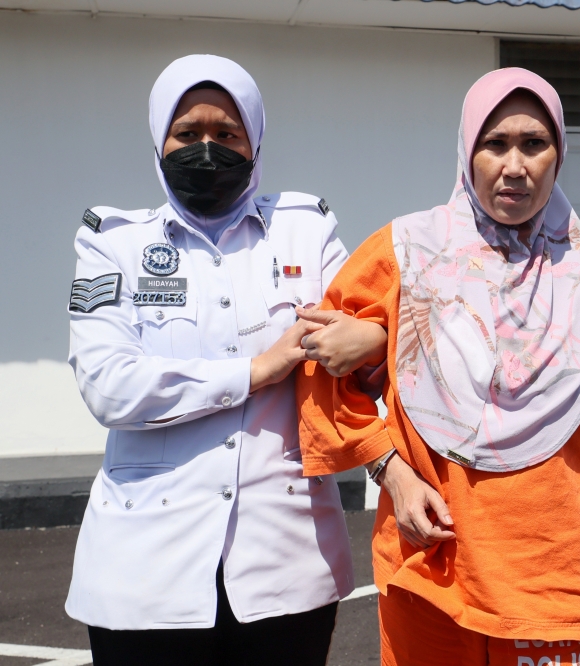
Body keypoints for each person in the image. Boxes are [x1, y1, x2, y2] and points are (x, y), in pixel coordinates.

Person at [296, 68, 580, 665]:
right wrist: (391, 472)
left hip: (554, 570)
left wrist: (388, 340)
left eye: (534, 144)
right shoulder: (408, 251)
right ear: (467, 149)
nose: (514, 166)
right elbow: (322, 372)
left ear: (559, 156)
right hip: (435, 562)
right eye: (494, 143)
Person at [66, 54, 386, 666]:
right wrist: (256, 371)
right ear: (159, 143)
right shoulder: (114, 241)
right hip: (143, 572)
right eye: (187, 134)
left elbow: (358, 343)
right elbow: (109, 386)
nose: (207, 150)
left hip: (287, 563)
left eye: (227, 134)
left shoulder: (305, 230)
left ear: (254, 142)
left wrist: (373, 340)